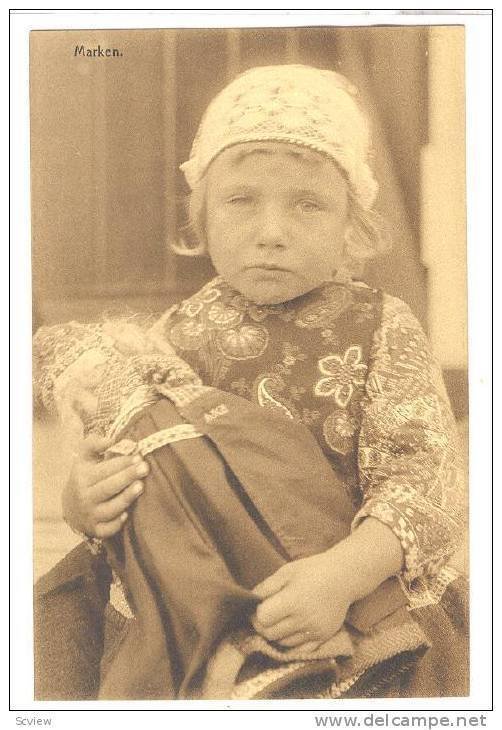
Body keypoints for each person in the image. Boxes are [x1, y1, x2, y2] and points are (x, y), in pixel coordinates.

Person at [33, 64, 468, 700]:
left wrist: (341, 576)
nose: (271, 233)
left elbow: (424, 480)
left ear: (355, 224)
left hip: (345, 595)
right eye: (241, 201)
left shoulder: (379, 326)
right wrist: (87, 500)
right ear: (200, 217)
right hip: (198, 605)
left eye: (309, 204)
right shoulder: (174, 334)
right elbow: (140, 464)